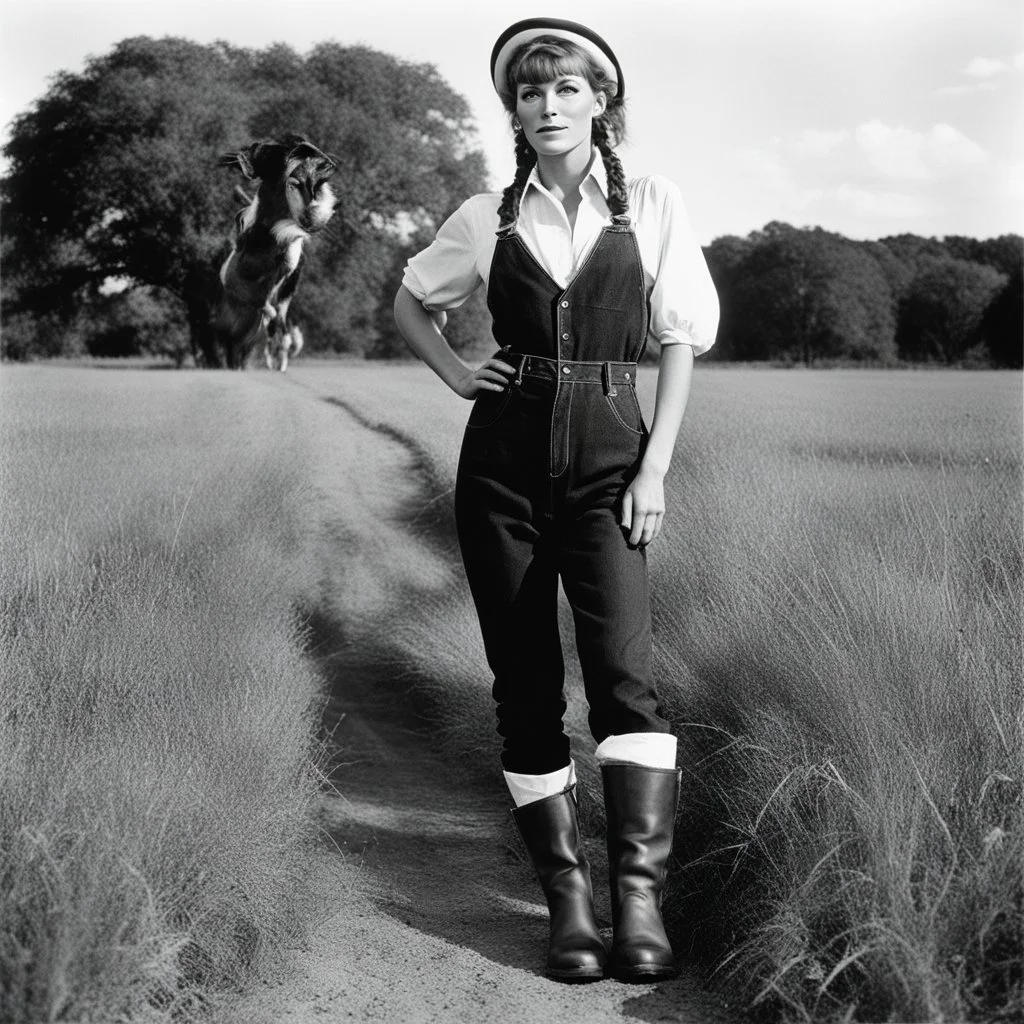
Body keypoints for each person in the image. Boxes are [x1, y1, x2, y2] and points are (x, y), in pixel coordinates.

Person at [393, 17, 719, 983]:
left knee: (625, 680)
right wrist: (460, 374)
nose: (547, 105)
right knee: (525, 687)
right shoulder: (484, 216)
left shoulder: (650, 203)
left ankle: (639, 906)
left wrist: (654, 469)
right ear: (515, 110)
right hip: (501, 466)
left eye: (566, 88)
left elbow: (679, 342)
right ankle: (568, 904)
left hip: (613, 462)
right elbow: (410, 299)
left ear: (600, 100)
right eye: (530, 92)